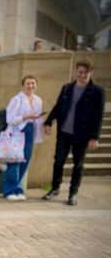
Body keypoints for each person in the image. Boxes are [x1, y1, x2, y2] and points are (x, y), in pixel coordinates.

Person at [42, 60, 105, 205]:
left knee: (78, 165)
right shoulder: (67, 88)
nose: (82, 75)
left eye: (85, 72)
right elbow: (58, 106)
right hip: (64, 132)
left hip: (81, 135)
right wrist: (48, 122)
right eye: (79, 72)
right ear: (76, 72)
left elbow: (98, 116)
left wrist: (94, 137)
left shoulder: (97, 92)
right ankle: (55, 189)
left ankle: (73, 194)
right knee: (58, 161)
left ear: (91, 73)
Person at [2, 75, 44, 201]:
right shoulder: (16, 99)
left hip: (30, 131)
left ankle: (18, 189)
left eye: (33, 83)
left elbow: (37, 118)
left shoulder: (38, 100)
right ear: (23, 85)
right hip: (17, 132)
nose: (30, 86)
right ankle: (9, 190)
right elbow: (10, 119)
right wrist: (25, 117)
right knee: (14, 161)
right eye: (28, 83)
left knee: (25, 161)